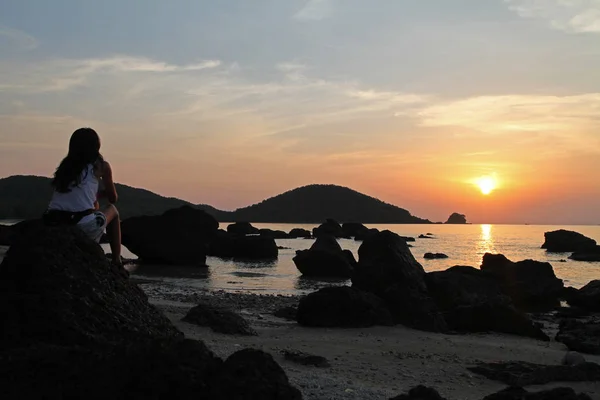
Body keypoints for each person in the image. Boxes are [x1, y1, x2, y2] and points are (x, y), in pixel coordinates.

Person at [44, 128, 122, 267]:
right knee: (113, 210)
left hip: (54, 222)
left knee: (94, 204)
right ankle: (117, 260)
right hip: (81, 225)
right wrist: (103, 193)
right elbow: (113, 198)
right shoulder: (101, 166)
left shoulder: (65, 167)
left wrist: (95, 195)